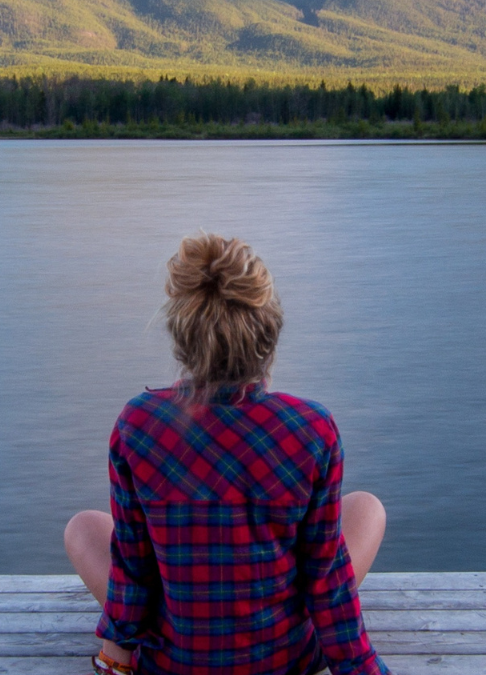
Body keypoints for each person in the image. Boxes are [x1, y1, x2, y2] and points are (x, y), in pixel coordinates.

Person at [65, 233, 390, 675]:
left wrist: (115, 657)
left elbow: (133, 564)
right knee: (365, 509)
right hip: (283, 659)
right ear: (269, 334)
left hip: (173, 660)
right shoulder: (311, 429)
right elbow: (325, 575)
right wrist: (362, 669)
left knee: (84, 528)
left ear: (182, 339)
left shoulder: (138, 424)